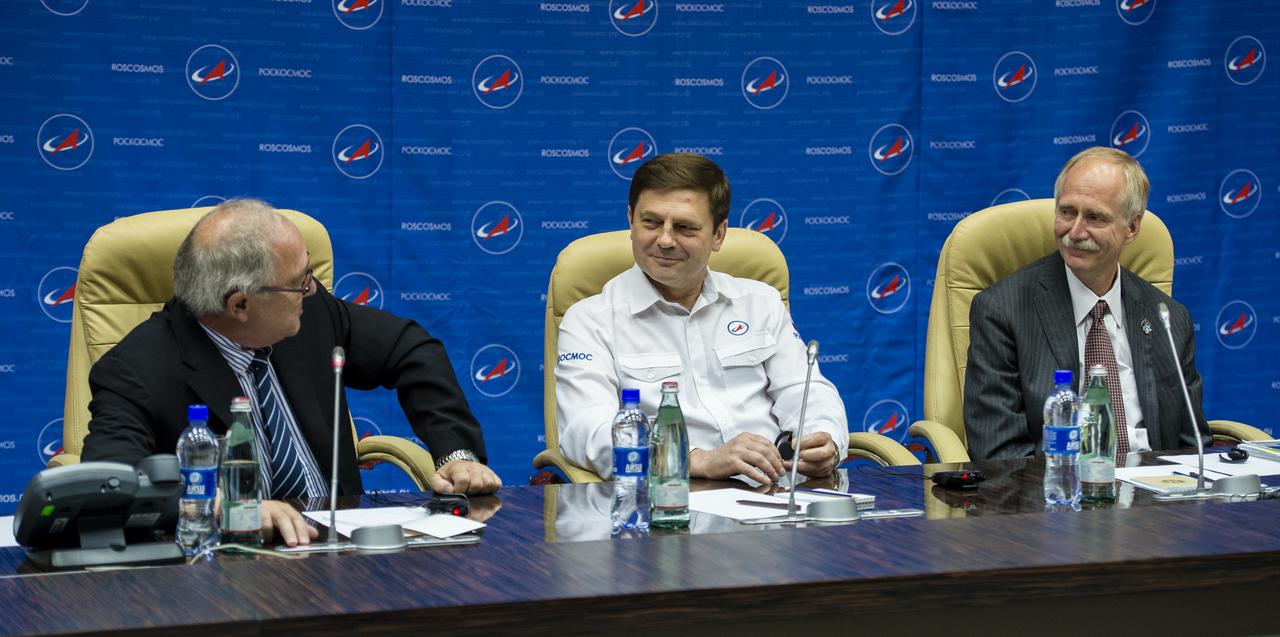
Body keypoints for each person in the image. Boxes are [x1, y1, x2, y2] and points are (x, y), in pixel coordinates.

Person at [82, 199, 501, 546]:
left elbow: (410, 348)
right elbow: (112, 489)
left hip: (340, 550)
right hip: (229, 572)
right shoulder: (135, 371)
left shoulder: (310, 315)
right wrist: (228, 509)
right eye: (299, 282)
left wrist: (456, 454)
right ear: (240, 305)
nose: (313, 290)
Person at [555, 153, 849, 484]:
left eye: (684, 227)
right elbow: (587, 430)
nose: (665, 240)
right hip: (670, 502)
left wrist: (824, 440)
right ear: (630, 220)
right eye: (650, 222)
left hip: (777, 498)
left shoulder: (760, 302)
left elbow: (806, 391)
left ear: (719, 234)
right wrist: (696, 460)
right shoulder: (590, 320)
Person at [964, 147, 1209, 461]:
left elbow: (1192, 446)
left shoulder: (1168, 318)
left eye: (1095, 217)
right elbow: (999, 454)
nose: (1075, 232)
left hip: (1155, 492)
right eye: (1067, 212)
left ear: (1132, 228)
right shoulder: (1002, 310)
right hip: (1057, 494)